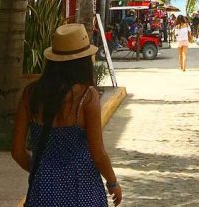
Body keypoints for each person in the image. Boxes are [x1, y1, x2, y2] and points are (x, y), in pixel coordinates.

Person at [12, 24, 122, 207]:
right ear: (83, 61)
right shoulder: (87, 97)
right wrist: (112, 182)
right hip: (84, 189)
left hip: (43, 191)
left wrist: (42, 171)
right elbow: (98, 153)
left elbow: (17, 152)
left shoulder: (31, 94)